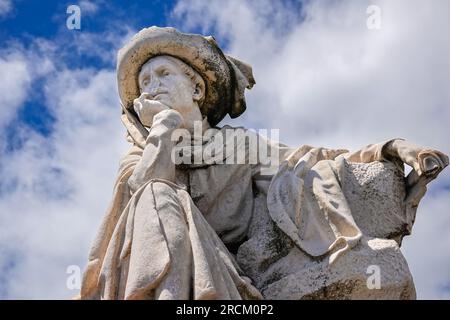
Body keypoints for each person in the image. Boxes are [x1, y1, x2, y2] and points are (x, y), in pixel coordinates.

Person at [80, 27, 448, 300]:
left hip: (228, 272)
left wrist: (389, 148)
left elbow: (306, 159)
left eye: (163, 74)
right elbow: (143, 194)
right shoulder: (142, 153)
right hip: (173, 277)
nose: (152, 87)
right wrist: (163, 126)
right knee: (157, 194)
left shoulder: (240, 145)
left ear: (195, 89)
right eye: (144, 82)